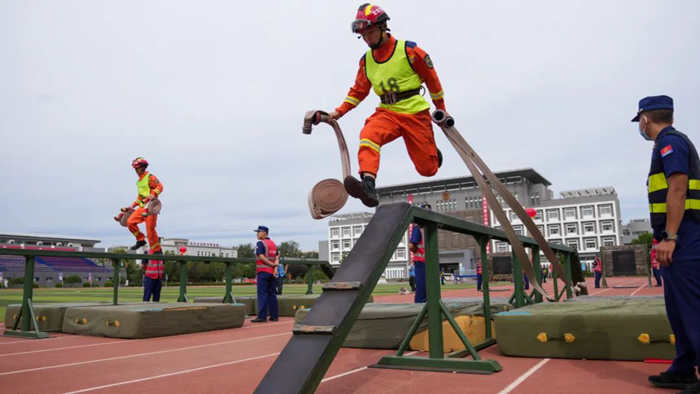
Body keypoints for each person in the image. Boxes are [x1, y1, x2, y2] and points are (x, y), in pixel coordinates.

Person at [327, 4, 448, 207]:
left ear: (384, 28)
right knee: (368, 135)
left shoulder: (410, 51)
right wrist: (338, 112)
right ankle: (368, 185)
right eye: (363, 36)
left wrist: (441, 109)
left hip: (415, 113)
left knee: (427, 170)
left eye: (371, 33)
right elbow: (358, 91)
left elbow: (433, 81)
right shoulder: (366, 61)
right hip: (387, 113)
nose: (367, 39)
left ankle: (433, 153)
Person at [631, 96, 700, 392]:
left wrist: (671, 236)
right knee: (677, 308)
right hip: (675, 236)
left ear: (645, 118)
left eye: (640, 122)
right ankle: (684, 368)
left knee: (692, 306)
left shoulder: (671, 143)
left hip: (686, 235)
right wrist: (661, 238)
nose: (641, 127)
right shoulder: (667, 144)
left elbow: (678, 187)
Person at [114, 157, 163, 252]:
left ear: (143, 167)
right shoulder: (139, 182)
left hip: (150, 207)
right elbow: (140, 197)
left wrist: (153, 194)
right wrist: (131, 207)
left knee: (150, 230)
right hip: (142, 207)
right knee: (130, 222)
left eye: (137, 168)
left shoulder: (150, 177)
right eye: (135, 168)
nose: (136, 170)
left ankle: (157, 251)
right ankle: (141, 240)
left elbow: (160, 186)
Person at [251, 226, 280, 323]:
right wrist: (275, 268)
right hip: (272, 273)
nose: (257, 234)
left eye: (258, 232)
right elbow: (277, 257)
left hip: (263, 272)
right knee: (272, 294)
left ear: (264, 233)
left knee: (262, 294)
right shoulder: (273, 244)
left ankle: (262, 317)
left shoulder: (260, 243)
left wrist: (271, 264)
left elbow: (261, 256)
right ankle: (274, 316)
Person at [409, 203, 431, 303]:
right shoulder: (418, 228)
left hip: (428, 261)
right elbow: (411, 246)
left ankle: (427, 304)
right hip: (421, 262)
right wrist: (418, 252)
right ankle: (420, 305)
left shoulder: (429, 228)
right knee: (422, 286)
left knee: (429, 286)